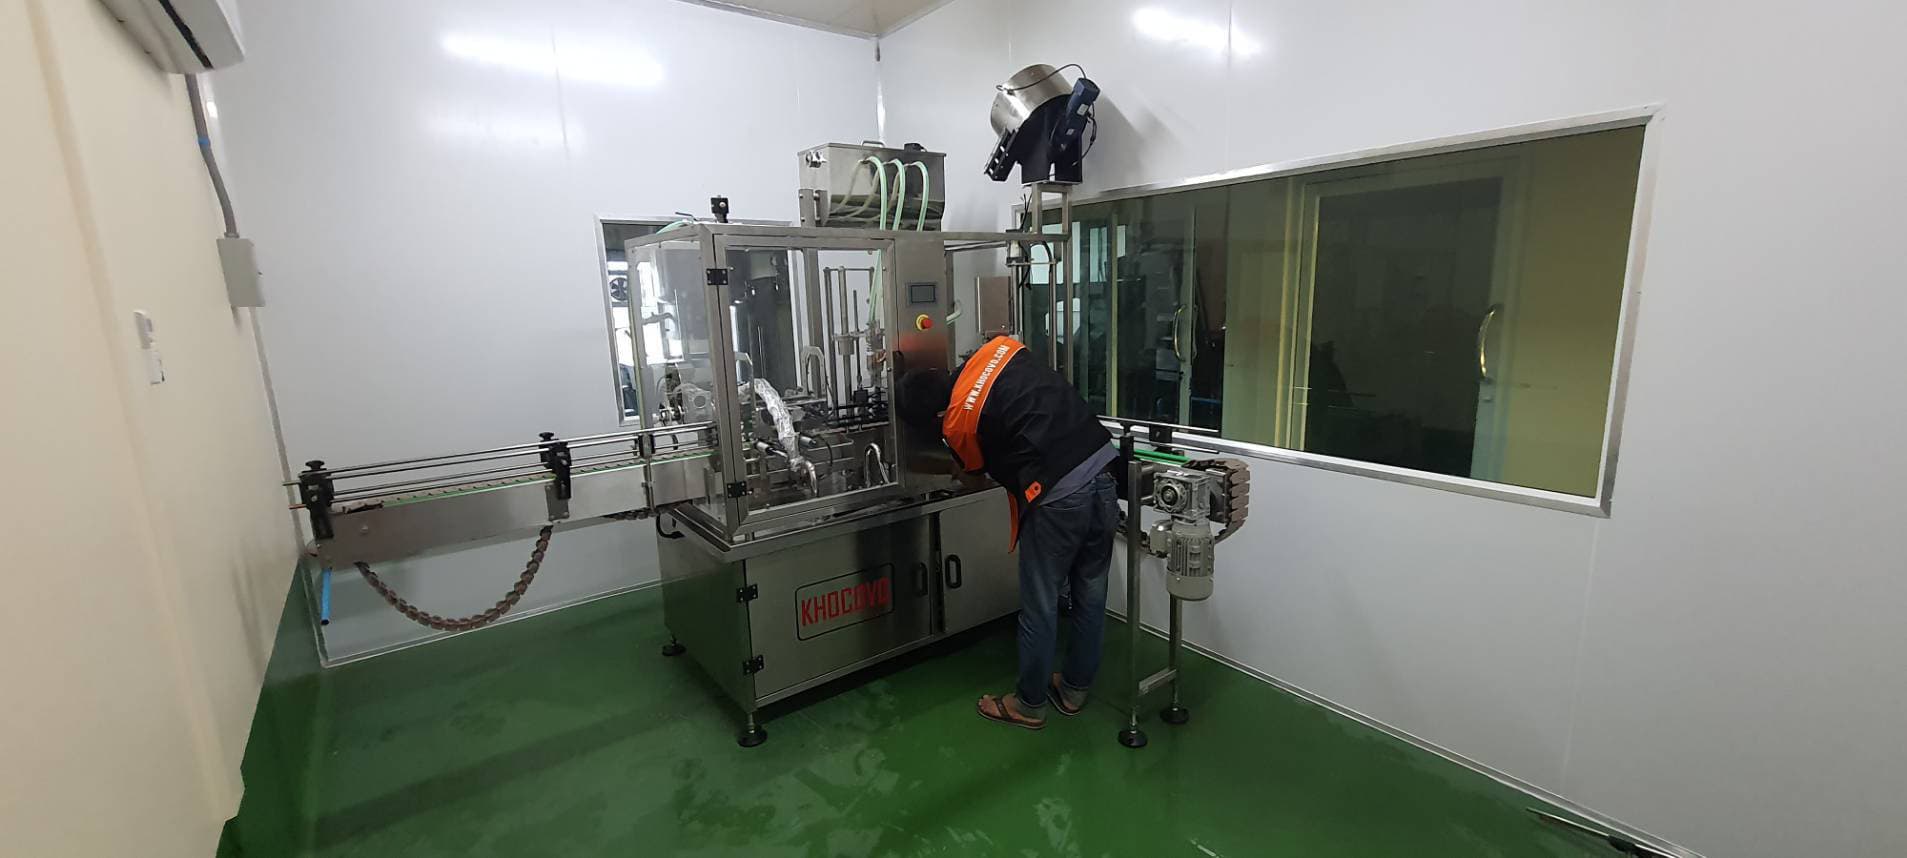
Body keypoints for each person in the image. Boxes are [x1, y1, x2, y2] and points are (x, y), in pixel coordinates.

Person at [897, 335, 1119, 730]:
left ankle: (1029, 704)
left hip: (1058, 494)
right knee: (1090, 590)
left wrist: (951, 464)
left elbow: (973, 478)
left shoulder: (956, 421)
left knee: (1040, 602)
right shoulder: (998, 348)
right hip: (1102, 469)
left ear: (935, 416)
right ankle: (1074, 689)